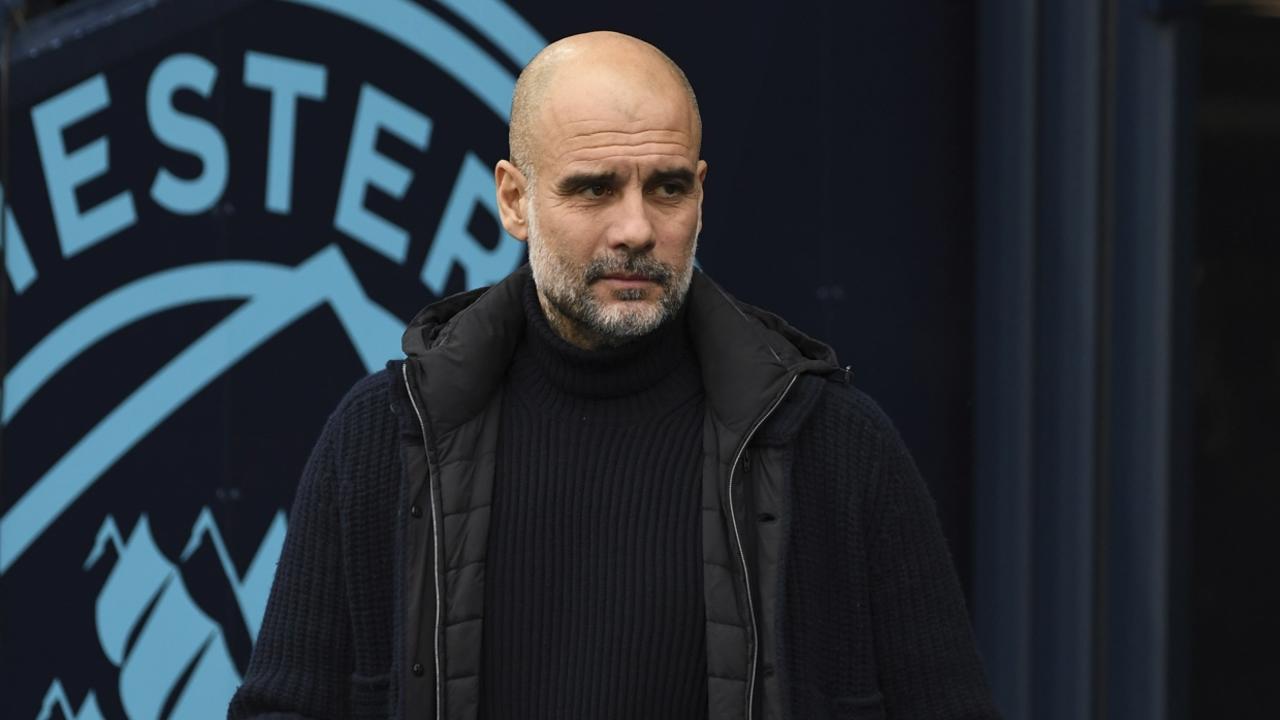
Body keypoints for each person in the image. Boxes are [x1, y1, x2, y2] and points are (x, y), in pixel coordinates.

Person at [229, 31, 998, 720]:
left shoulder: (832, 446)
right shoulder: (385, 438)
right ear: (514, 199)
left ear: (701, 191)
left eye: (668, 187)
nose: (635, 228)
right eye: (593, 187)